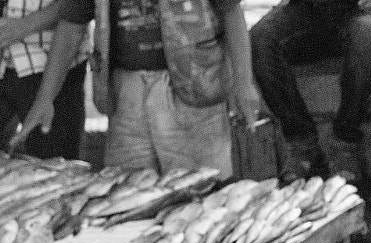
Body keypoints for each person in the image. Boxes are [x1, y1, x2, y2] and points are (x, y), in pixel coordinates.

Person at [11, 0, 257, 174]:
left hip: (195, 88)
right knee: (130, 192)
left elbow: (232, 13)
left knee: (202, 194)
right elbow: (72, 26)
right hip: (126, 92)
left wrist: (245, 84)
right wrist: (45, 97)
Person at [250, 0, 371, 182]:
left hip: (368, 12)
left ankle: (344, 142)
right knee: (260, 39)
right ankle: (302, 143)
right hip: (310, 11)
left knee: (367, 38)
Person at [0, 0, 90, 159]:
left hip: (52, 66)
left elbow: (81, 6)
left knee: (53, 168)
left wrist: (20, 27)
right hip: (4, 63)